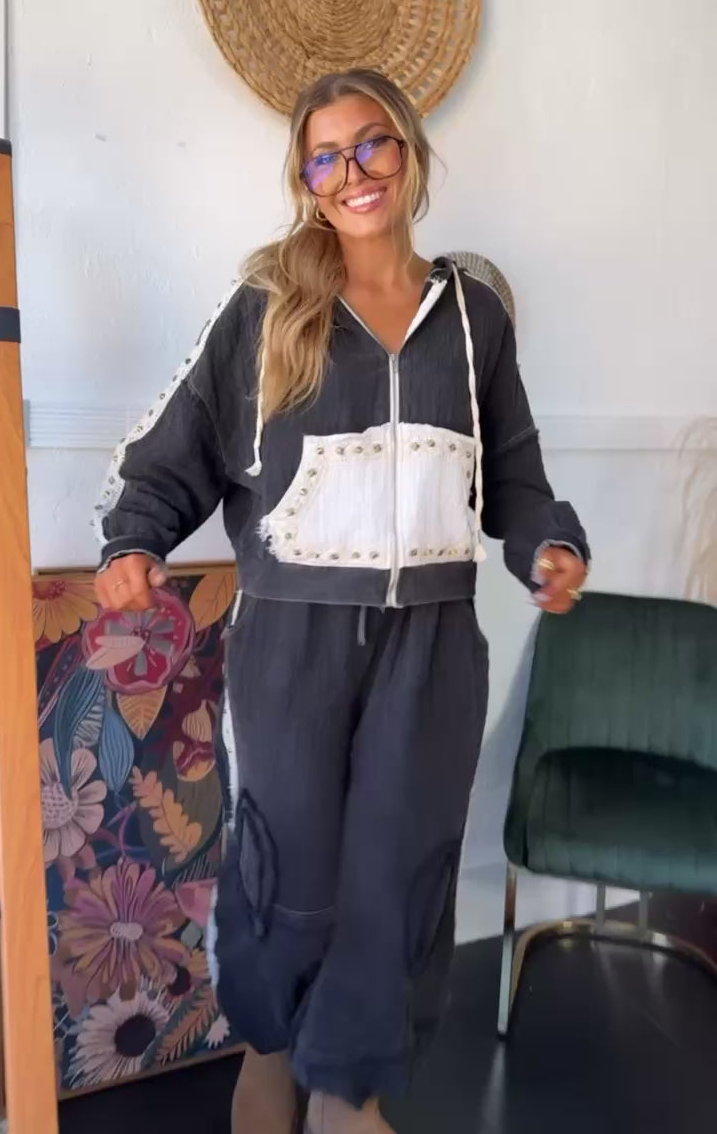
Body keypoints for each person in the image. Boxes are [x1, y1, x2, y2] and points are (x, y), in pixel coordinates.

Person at [94, 69, 588, 1134]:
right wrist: (134, 538)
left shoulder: (475, 317)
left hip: (434, 647)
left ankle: (346, 1085)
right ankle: (271, 1049)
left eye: (372, 144)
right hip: (292, 642)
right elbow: (174, 448)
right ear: (305, 179)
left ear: (410, 150)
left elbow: (514, 471)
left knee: (398, 866)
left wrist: (547, 544)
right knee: (289, 858)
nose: (353, 172)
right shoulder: (268, 308)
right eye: (326, 156)